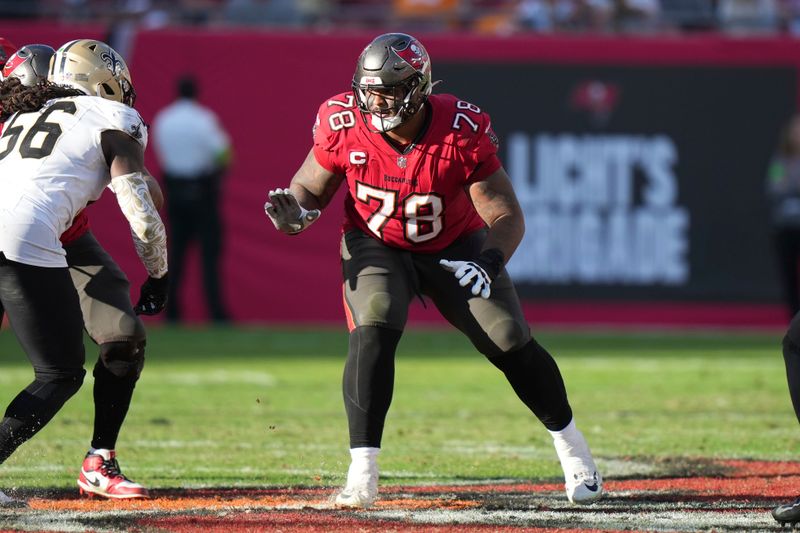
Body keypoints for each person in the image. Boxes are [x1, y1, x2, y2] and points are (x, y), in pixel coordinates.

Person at [264, 32, 603, 509]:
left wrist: (488, 261)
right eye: (369, 89)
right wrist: (295, 212)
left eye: (387, 90)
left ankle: (573, 448)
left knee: (508, 338)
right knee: (375, 321)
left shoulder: (460, 129)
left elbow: (506, 215)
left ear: (418, 88)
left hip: (454, 247)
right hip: (376, 242)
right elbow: (310, 187)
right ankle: (363, 471)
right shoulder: (342, 121)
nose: (374, 100)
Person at [0, 39, 168, 504]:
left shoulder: (21, 114)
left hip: (62, 234)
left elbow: (141, 189)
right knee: (59, 372)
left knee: (122, 335)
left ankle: (100, 460)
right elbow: (140, 207)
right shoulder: (111, 116)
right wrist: (159, 274)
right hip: (28, 235)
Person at [152, 75, 232, 323]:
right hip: (202, 191)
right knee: (209, 257)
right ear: (196, 92)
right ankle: (216, 313)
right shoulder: (203, 119)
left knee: (175, 255)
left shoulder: (163, 119)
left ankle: (172, 311)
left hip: (174, 191)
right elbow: (224, 155)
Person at [767, 113, 800, 321]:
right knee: (789, 275)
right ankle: (794, 319)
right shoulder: (780, 161)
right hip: (786, 227)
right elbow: (774, 187)